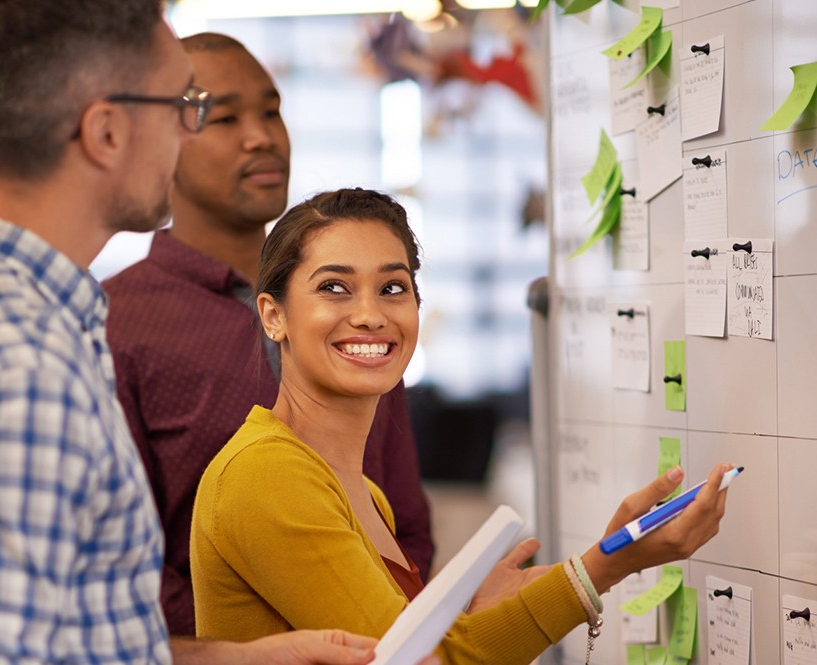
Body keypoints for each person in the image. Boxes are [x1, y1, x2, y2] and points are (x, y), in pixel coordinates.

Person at [0, 3, 410, 663]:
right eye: (181, 106)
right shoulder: (17, 367)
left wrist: (237, 656)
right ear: (106, 133)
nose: (189, 132)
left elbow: (71, 633)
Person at [190, 188, 731, 663]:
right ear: (273, 315)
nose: (371, 315)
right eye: (334, 288)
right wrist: (605, 568)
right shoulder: (266, 472)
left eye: (393, 288)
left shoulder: (362, 491)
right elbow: (425, 663)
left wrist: (472, 610)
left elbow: (406, 641)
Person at [103, 32, 433, 636]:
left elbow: (403, 516)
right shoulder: (115, 322)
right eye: (224, 116)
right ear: (157, 142)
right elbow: (122, 564)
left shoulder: (353, 313)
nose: (261, 136)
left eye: (272, 111)